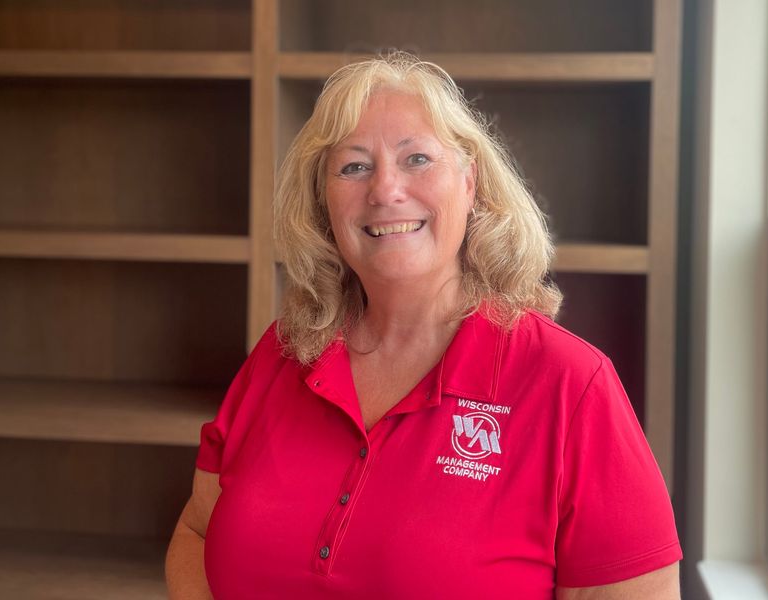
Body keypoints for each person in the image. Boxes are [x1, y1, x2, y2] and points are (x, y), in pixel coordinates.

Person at [165, 52, 682, 599]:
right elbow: (196, 531)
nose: (385, 190)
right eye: (354, 167)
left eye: (417, 159)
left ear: (470, 183)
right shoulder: (283, 351)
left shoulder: (572, 385)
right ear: (323, 202)